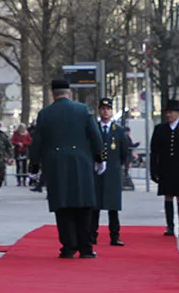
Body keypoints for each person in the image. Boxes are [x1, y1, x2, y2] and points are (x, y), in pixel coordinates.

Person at [28, 79, 104, 258]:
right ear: (69, 93)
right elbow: (95, 136)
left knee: (62, 206)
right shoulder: (82, 110)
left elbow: (37, 142)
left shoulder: (45, 113)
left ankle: (69, 247)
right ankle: (86, 248)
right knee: (83, 205)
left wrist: (34, 165)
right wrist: (101, 158)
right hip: (81, 162)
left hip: (55, 163)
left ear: (53, 94)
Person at [149, 98, 179, 237]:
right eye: (167, 112)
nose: (168, 115)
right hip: (166, 168)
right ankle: (170, 226)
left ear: (178, 114)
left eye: (171, 112)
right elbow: (154, 152)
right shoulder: (160, 129)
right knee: (168, 197)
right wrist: (154, 171)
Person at [91, 98, 131, 247]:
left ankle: (115, 236)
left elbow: (123, 153)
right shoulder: (93, 128)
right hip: (96, 173)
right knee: (94, 207)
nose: (105, 111)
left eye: (108, 109)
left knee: (113, 207)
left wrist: (116, 166)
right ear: (99, 111)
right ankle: (92, 235)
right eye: (102, 109)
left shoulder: (118, 130)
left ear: (111, 111)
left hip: (112, 173)